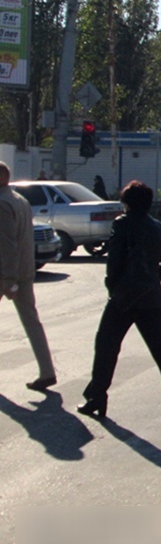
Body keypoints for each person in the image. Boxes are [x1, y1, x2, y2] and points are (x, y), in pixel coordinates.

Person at [78, 180, 161, 434]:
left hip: (122, 300)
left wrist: (114, 288)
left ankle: (96, 397)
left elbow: (114, 262)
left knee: (106, 346)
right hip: (152, 300)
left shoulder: (122, 224)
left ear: (127, 203)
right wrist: (150, 282)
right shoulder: (157, 227)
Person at [0, 162, 57, 391]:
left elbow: (7, 244)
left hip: (6, 272)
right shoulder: (19, 200)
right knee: (32, 322)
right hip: (24, 269)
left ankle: (47, 372)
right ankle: (47, 371)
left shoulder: (2, 204)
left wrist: (8, 280)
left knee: (31, 321)